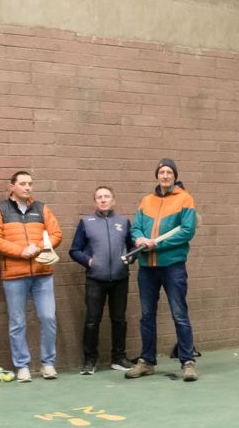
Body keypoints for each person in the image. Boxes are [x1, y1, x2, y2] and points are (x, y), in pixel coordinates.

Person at [126, 158, 199, 382]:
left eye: (169, 172)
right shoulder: (146, 201)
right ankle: (147, 362)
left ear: (175, 176)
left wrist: (157, 244)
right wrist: (139, 238)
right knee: (147, 316)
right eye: (161, 172)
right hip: (147, 267)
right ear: (157, 175)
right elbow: (136, 226)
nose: (165, 175)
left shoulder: (185, 200)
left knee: (180, 314)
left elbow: (187, 231)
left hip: (172, 266)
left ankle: (187, 362)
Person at [0, 170, 62, 382]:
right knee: (17, 321)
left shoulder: (42, 208)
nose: (27, 187)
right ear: (12, 187)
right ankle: (22, 366)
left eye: (30, 184)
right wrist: (21, 251)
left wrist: (36, 248)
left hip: (43, 274)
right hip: (14, 276)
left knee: (48, 318)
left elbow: (56, 234)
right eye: (23, 184)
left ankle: (48, 364)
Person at [69, 186, 132, 375]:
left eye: (107, 196)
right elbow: (74, 250)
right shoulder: (86, 222)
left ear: (114, 200)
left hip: (120, 279)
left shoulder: (124, 222)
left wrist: (131, 257)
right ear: (95, 201)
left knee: (119, 320)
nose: (103, 200)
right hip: (95, 280)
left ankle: (119, 358)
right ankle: (90, 361)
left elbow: (132, 248)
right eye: (99, 197)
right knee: (92, 321)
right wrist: (89, 261)